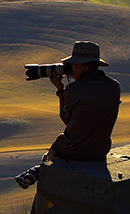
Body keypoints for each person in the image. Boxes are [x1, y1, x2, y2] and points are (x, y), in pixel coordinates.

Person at [15, 41, 121, 189]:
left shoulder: (74, 89)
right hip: (99, 150)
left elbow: (67, 119)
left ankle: (39, 171)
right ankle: (37, 171)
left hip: (72, 151)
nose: (70, 68)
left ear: (82, 65)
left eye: (73, 64)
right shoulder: (114, 86)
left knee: (50, 158)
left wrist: (60, 90)